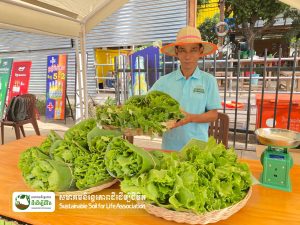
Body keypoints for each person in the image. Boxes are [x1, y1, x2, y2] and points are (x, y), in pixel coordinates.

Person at [150, 26, 221, 150]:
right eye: (183, 50)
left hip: (198, 148)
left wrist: (190, 118)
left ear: (200, 51)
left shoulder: (208, 81)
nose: (187, 56)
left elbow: (213, 115)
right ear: (177, 52)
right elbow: (147, 104)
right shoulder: (164, 81)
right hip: (170, 148)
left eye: (193, 50)